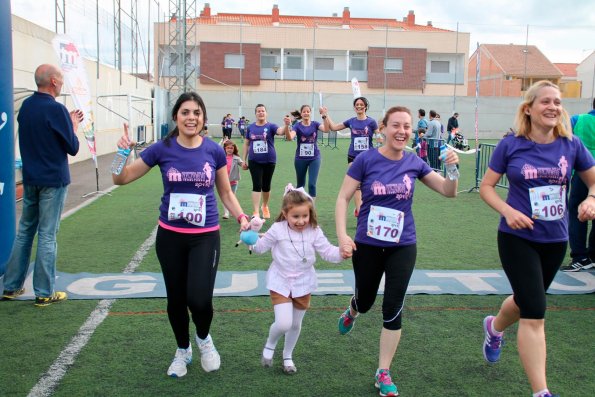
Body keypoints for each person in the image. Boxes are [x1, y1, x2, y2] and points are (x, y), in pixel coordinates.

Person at [112, 92, 251, 378]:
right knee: (176, 300)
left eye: (196, 113)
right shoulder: (161, 149)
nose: (191, 117)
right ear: (176, 116)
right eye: (185, 112)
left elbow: (225, 191)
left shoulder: (213, 150)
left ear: (203, 118)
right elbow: (121, 178)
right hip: (170, 237)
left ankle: (204, 339)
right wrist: (121, 153)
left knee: (199, 300)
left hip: (205, 236)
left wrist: (241, 216)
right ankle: (182, 349)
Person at [479, 81, 595, 397]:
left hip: (555, 240)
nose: (553, 107)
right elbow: (486, 187)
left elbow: (593, 179)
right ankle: (541, 392)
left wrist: (591, 199)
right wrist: (507, 211)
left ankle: (494, 327)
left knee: (527, 299)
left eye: (557, 102)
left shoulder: (570, 144)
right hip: (516, 237)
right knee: (535, 310)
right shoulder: (510, 144)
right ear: (528, 108)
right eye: (545, 101)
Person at [335, 106, 459, 396]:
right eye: (396, 125)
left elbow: (448, 191)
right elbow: (342, 197)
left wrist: (452, 168)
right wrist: (343, 236)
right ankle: (353, 309)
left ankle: (383, 372)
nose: (402, 131)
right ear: (383, 128)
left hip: (403, 245)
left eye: (407, 126)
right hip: (367, 244)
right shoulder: (365, 160)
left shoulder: (414, 162)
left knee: (393, 307)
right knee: (366, 302)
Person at [2, 64, 83, 306]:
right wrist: (73, 125)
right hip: (53, 180)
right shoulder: (56, 110)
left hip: (31, 179)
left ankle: (11, 286)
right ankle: (44, 291)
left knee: (25, 231)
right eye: (60, 79)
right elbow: (73, 146)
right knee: (48, 234)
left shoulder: (26, 106)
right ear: (54, 82)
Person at [251, 184, 345, 375]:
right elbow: (259, 248)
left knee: (295, 324)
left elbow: (328, 252)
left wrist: (342, 252)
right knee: (284, 322)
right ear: (285, 214)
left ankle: (288, 356)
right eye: (296, 216)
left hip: (303, 282)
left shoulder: (314, 230)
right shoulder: (277, 229)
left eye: (305, 216)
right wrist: (252, 233)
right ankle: (270, 344)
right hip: (280, 280)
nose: (301, 221)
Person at [321, 96, 379, 217]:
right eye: (357, 104)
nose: (359, 106)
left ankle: (365, 206)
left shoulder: (371, 122)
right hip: (353, 156)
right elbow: (334, 127)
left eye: (361, 104)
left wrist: (381, 137)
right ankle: (360, 211)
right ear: (354, 107)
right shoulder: (351, 121)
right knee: (356, 185)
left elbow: (379, 136)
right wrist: (326, 115)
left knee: (368, 184)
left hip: (368, 157)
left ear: (366, 107)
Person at [561, 99, 595, 272]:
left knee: (576, 212)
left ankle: (580, 256)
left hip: (583, 172)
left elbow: (562, 139)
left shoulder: (578, 120)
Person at [241, 104, 291, 219]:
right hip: (254, 161)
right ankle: (255, 211)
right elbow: (247, 143)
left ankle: (265, 206)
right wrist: (243, 159)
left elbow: (280, 131)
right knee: (256, 185)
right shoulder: (251, 128)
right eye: (258, 111)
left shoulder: (271, 126)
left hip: (269, 161)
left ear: (266, 113)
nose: (260, 113)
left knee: (266, 186)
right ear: (255, 114)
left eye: (262, 111)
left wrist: (286, 125)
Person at [284, 105, 329, 201]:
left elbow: (326, 129)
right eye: (304, 111)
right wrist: (287, 126)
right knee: (300, 185)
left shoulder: (315, 124)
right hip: (300, 159)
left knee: (312, 184)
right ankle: (301, 207)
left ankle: (312, 209)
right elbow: (290, 138)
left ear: (310, 113)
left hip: (314, 158)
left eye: (308, 111)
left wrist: (324, 116)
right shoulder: (297, 126)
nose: (306, 113)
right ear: (301, 113)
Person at [221, 139, 244, 219]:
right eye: (228, 148)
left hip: (233, 181)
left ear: (234, 149)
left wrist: (245, 165)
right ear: (225, 148)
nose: (230, 150)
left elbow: (242, 164)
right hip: (223, 181)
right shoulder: (221, 157)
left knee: (232, 196)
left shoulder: (236, 158)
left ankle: (232, 210)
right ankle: (226, 213)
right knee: (224, 196)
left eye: (231, 148)